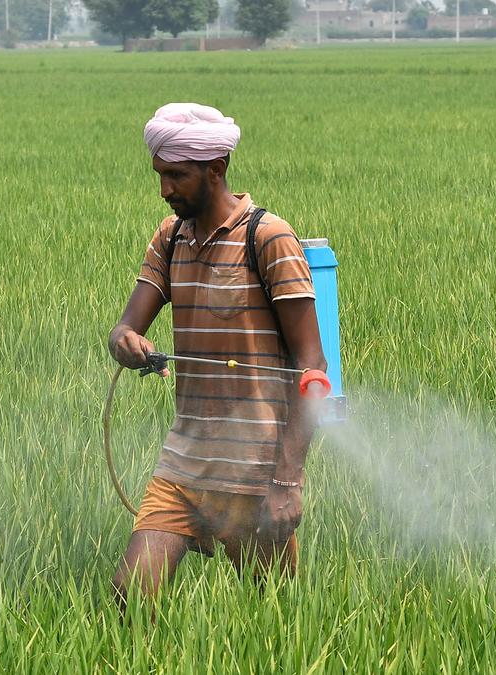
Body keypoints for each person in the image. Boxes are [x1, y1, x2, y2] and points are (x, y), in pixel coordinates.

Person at [108, 102, 327, 603]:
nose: (165, 189)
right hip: (183, 463)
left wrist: (287, 480)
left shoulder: (268, 238)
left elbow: (313, 366)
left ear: (216, 169)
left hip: (254, 473)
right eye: (160, 174)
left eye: (176, 175)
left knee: (273, 616)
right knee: (130, 595)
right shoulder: (170, 238)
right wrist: (126, 343)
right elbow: (125, 328)